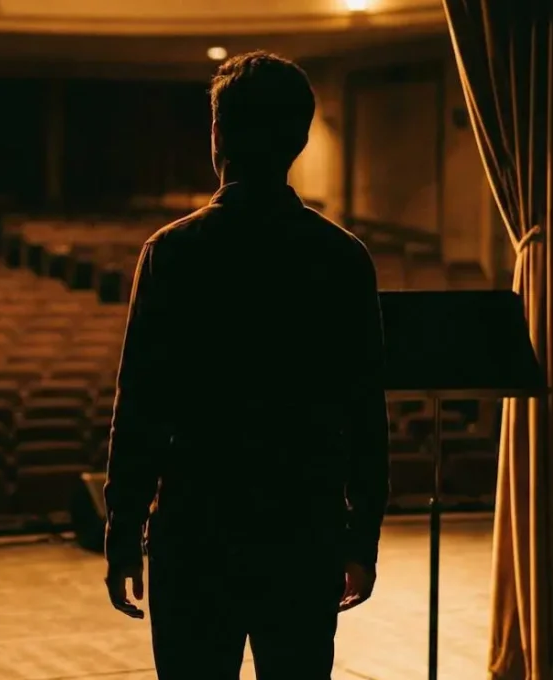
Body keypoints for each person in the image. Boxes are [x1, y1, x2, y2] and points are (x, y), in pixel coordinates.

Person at [102, 51, 390, 679]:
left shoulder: (172, 253)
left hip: (197, 528)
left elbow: (141, 407)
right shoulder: (343, 259)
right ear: (302, 138)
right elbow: (366, 412)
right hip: (304, 527)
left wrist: (123, 531)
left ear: (217, 135)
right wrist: (360, 538)